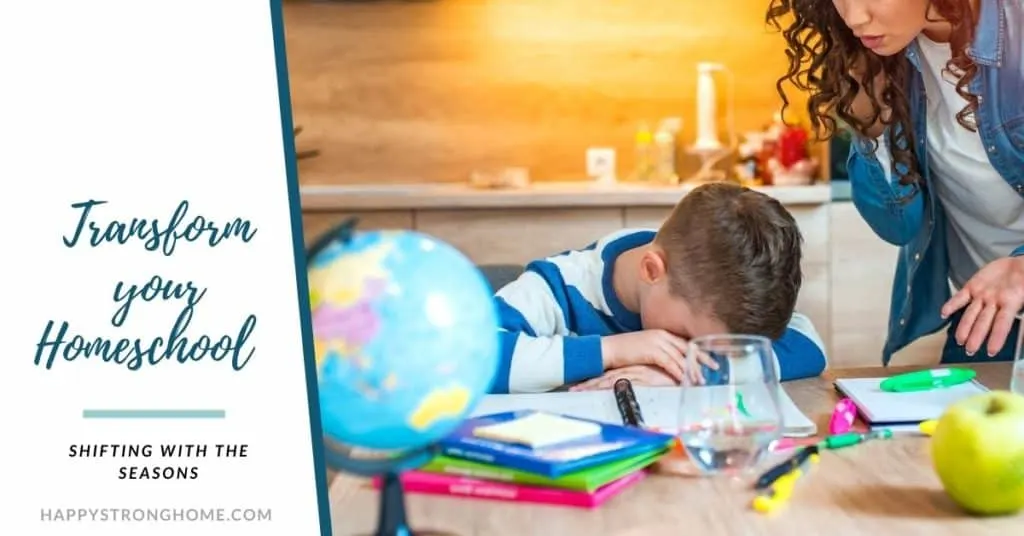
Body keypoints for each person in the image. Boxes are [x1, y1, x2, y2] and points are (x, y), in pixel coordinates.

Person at [767, 0, 1024, 366]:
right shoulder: (893, 57)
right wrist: (872, 129)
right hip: (986, 316)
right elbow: (898, 225)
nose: (855, 17)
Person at [489, 183, 828, 394]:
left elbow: (810, 347)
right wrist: (613, 350)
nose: (692, 353)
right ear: (652, 271)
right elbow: (474, 357)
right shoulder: (561, 286)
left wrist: (689, 375)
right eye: (690, 342)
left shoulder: (721, 286)